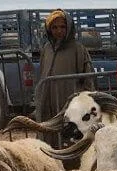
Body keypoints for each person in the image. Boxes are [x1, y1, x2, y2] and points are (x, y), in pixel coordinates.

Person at [38, 9, 94, 146]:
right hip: (47, 105)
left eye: (62, 27)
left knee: (70, 142)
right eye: (54, 27)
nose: (59, 31)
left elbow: (88, 79)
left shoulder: (78, 49)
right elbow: (41, 76)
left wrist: (84, 103)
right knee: (49, 141)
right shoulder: (46, 49)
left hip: (69, 107)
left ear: (69, 28)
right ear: (49, 29)